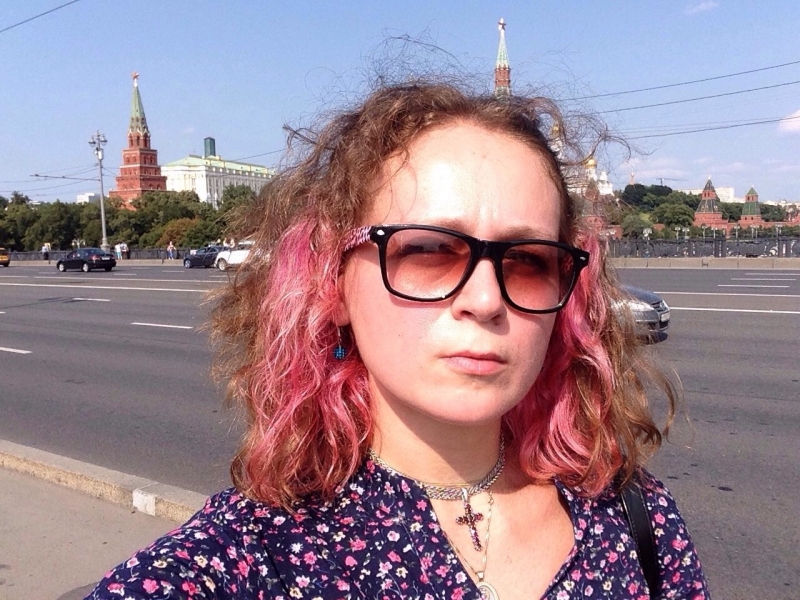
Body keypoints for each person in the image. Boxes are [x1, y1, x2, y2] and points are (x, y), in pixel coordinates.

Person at [87, 83, 708, 599]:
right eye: (429, 250)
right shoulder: (246, 557)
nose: (485, 300)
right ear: (332, 283)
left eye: (528, 260)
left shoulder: (635, 519)